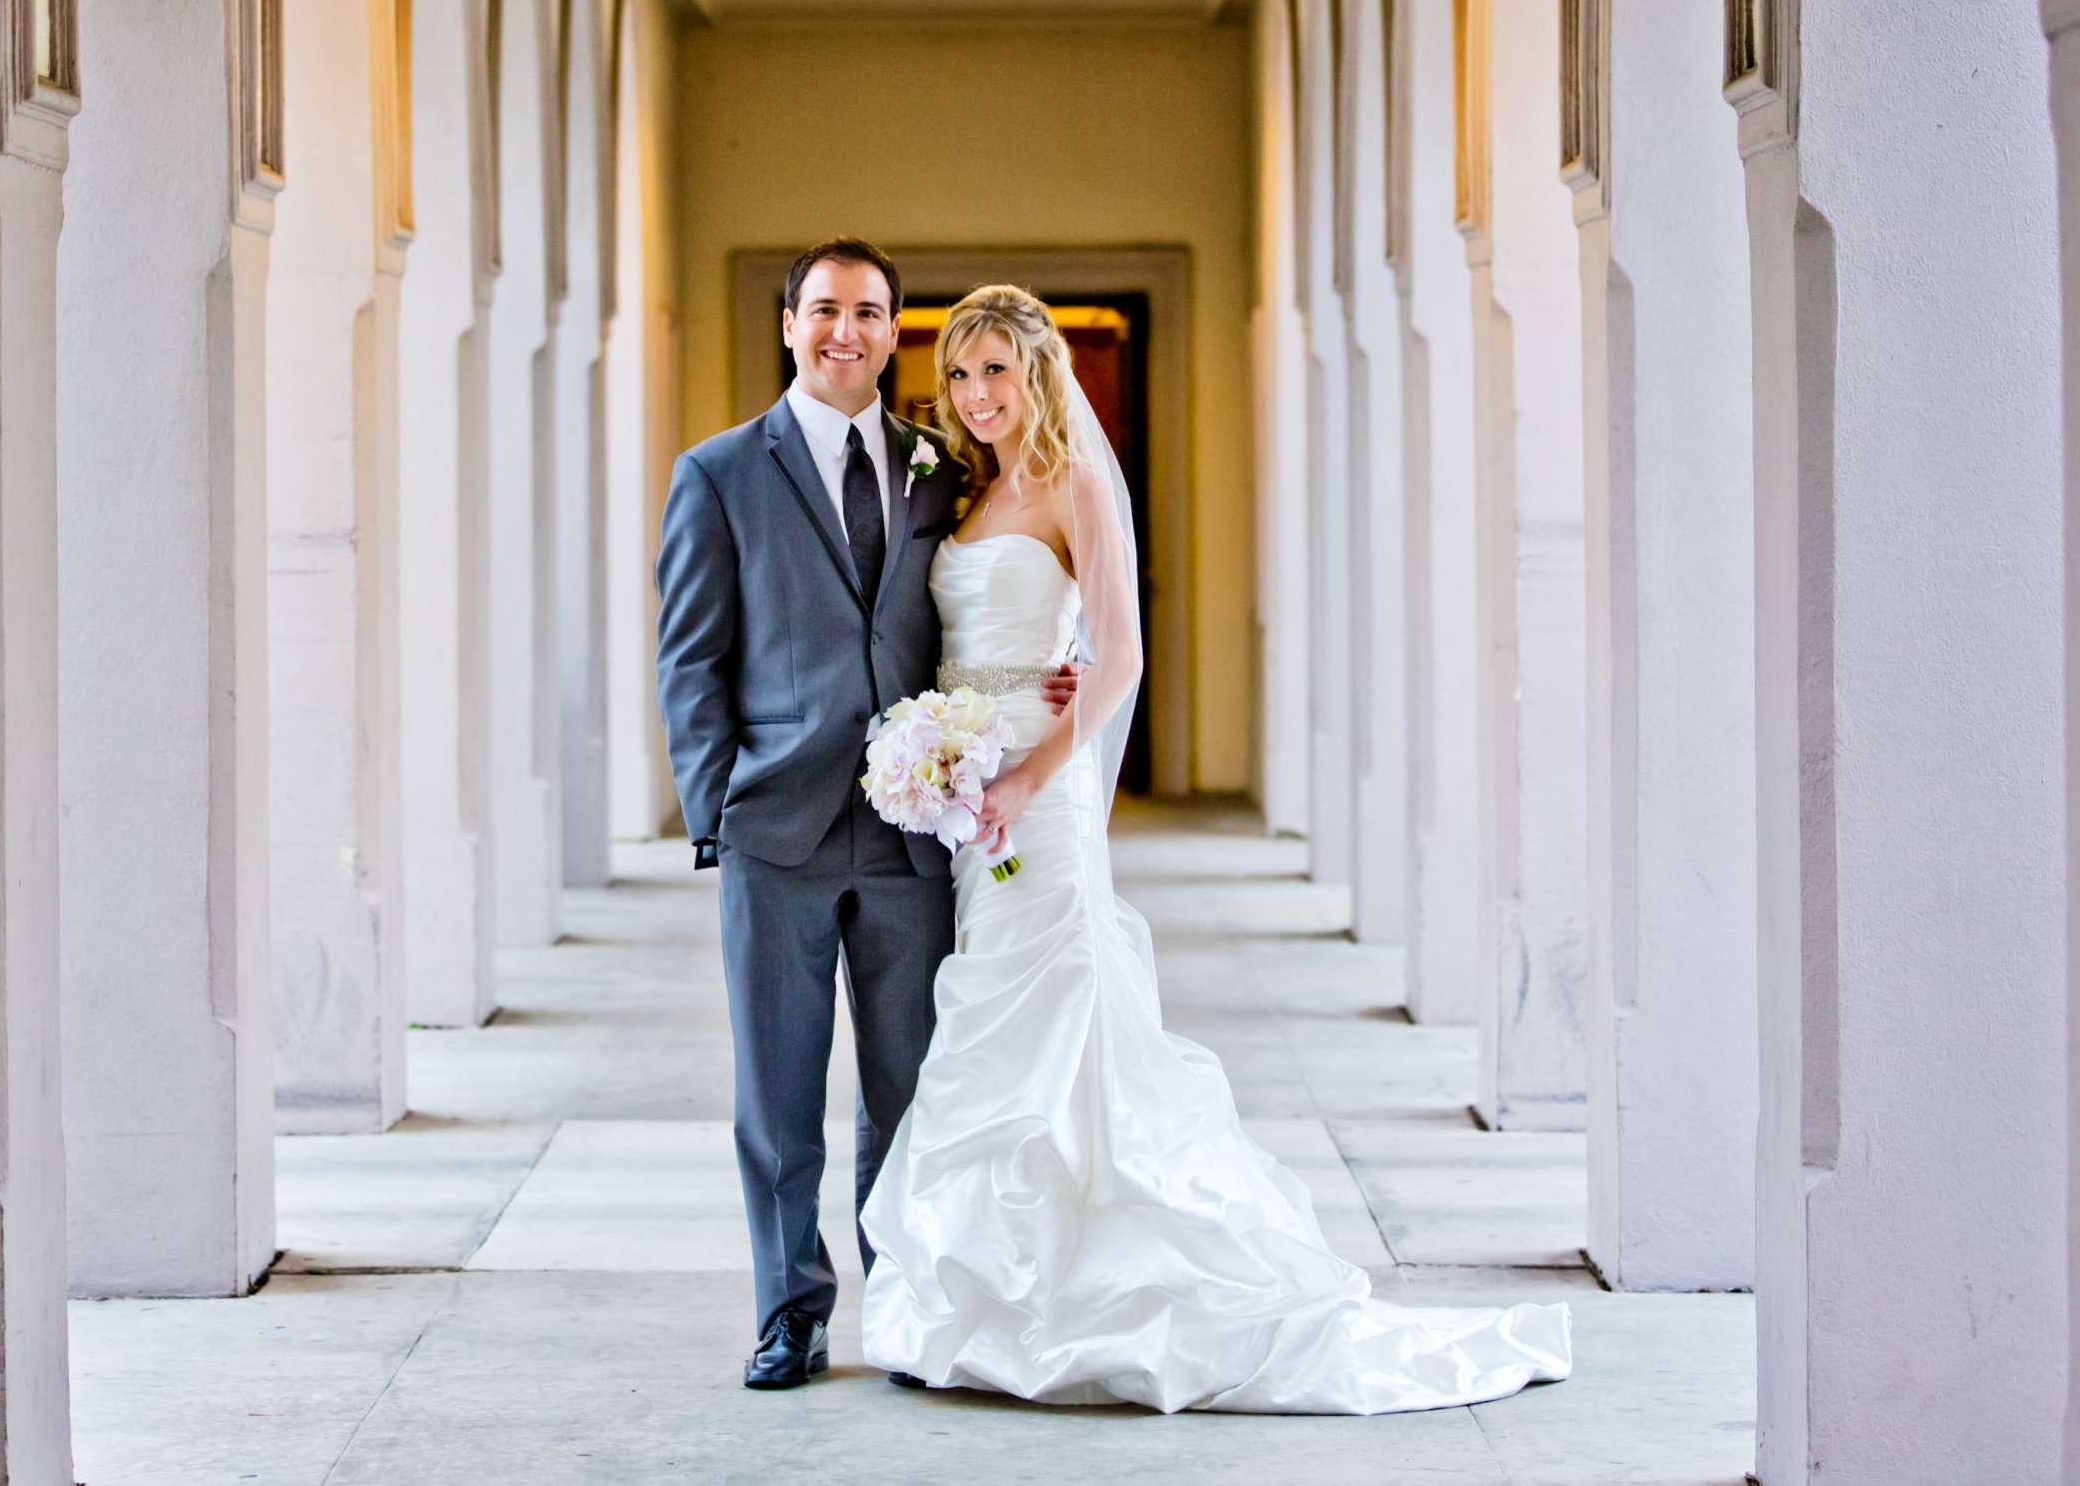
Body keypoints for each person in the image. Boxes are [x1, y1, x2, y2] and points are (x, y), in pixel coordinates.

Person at [854, 284, 1574, 1414]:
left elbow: (1121, 656)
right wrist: (940, 751)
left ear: (1038, 373)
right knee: (990, 1013)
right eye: (958, 374)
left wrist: (1034, 771)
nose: (975, 395)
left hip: (1032, 796)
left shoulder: (1079, 483)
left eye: (996, 371)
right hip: (965, 794)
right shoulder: (966, 491)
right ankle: (992, 1288)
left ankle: (1077, 1283)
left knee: (1049, 1003)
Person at [653, 239, 1075, 1390]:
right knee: (780, 1100)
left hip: (913, 835)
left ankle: (901, 1303)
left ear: (897, 333)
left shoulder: (947, 468)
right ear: (789, 323)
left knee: (909, 1085)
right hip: (774, 832)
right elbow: (690, 660)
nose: (849, 330)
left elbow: (1016, 590)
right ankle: (791, 1311)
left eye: (873, 312)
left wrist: (1047, 688)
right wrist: (717, 809)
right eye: (826, 309)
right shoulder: (719, 474)